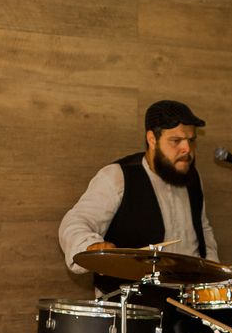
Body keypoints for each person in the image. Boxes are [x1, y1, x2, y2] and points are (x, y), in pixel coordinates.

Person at [59, 99, 219, 297]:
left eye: (191, 140)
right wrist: (91, 246)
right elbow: (74, 222)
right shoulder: (117, 177)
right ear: (152, 139)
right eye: (176, 141)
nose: (187, 149)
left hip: (189, 298)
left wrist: (215, 274)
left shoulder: (193, 178)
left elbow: (202, 230)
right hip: (133, 302)